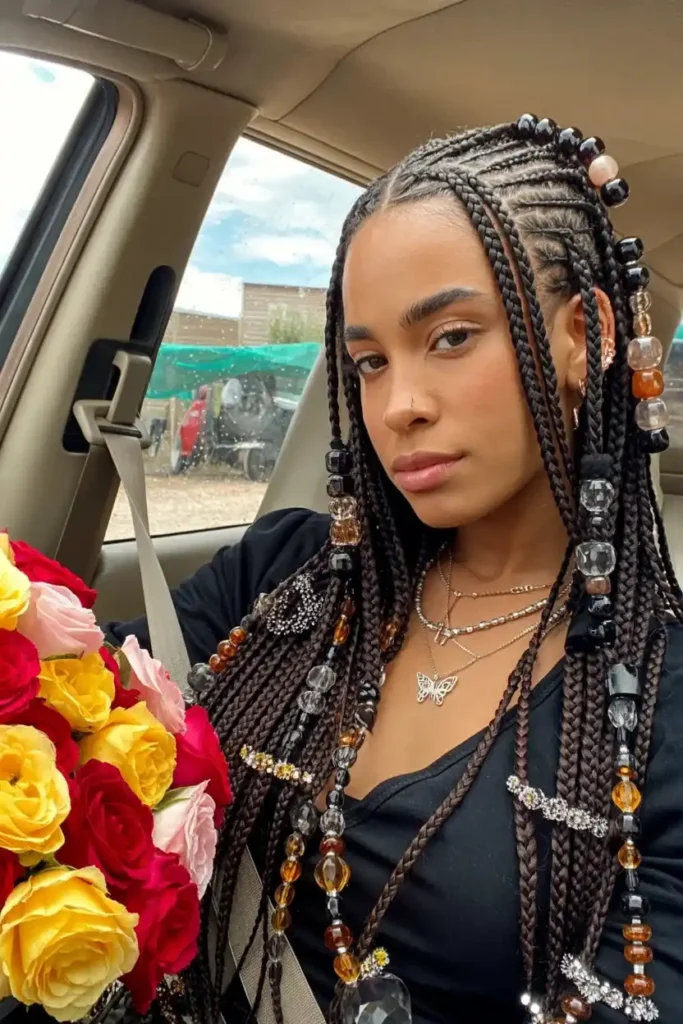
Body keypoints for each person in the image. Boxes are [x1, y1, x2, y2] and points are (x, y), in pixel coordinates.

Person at [107, 116, 683, 1024]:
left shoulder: (658, 703)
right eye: (369, 362)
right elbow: (67, 717)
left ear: (586, 332)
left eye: (450, 337)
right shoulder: (284, 576)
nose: (397, 406)